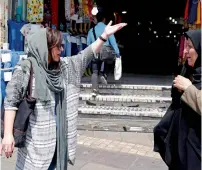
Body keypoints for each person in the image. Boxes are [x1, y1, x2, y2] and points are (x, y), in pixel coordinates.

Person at [0, 21, 127, 170]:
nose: (62, 49)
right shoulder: (26, 69)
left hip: (59, 146)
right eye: (58, 46)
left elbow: (85, 55)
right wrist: (8, 134)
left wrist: (104, 36)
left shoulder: (66, 67)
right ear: (45, 47)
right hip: (35, 149)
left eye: (61, 45)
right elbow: (11, 101)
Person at [154, 29, 201, 170]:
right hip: (181, 146)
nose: (185, 51)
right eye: (184, 46)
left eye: (190, 47)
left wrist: (188, 88)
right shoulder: (187, 71)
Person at [87, 11, 120, 96]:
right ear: (104, 20)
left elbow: (88, 44)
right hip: (106, 52)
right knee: (110, 61)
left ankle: (94, 90)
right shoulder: (107, 29)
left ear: (97, 20)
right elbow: (113, 42)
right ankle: (103, 74)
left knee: (94, 71)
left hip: (94, 51)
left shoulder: (91, 30)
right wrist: (117, 53)